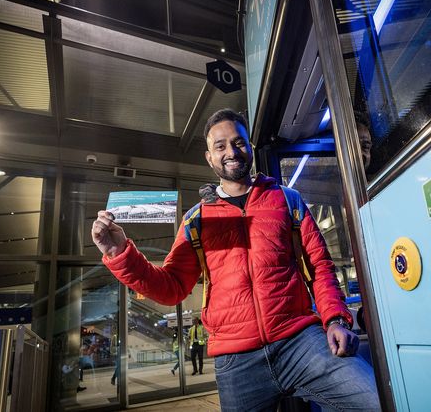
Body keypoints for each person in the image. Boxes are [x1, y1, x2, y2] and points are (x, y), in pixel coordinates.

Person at [91, 108, 380, 411]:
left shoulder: (287, 200)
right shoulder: (196, 220)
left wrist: (335, 319)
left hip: (301, 341)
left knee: (376, 400)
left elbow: (321, 267)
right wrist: (119, 253)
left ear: (249, 148)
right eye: (221, 146)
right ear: (209, 157)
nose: (231, 151)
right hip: (237, 360)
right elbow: (171, 287)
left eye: (238, 142)